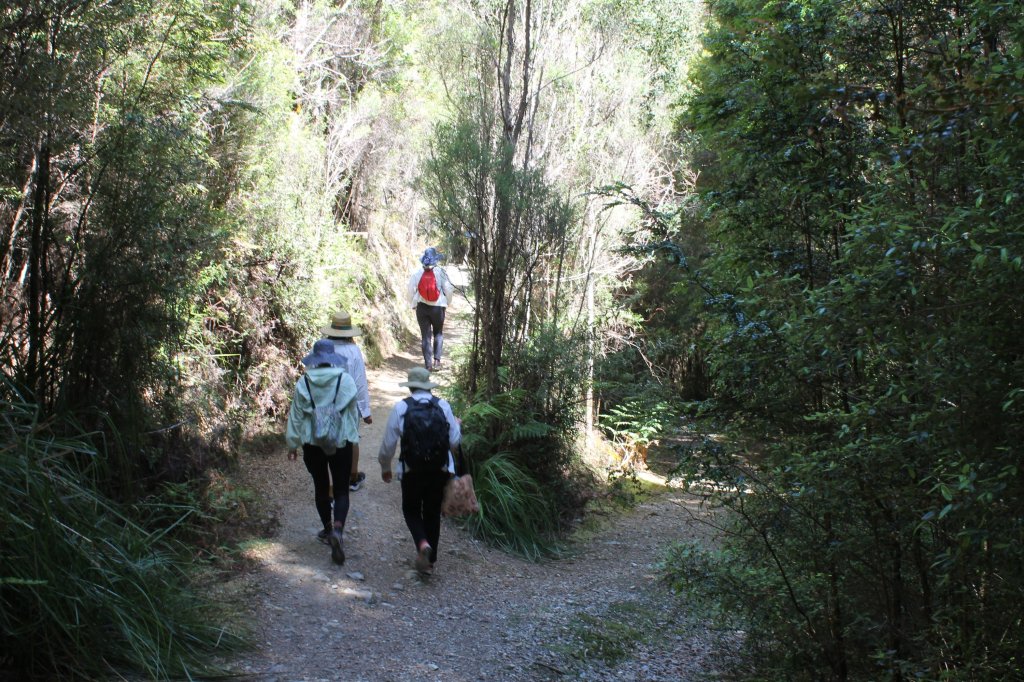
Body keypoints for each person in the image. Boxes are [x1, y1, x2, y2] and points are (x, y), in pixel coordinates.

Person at [378, 366, 462, 575]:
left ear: (411, 387)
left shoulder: (401, 408)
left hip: (411, 469)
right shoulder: (442, 405)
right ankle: (430, 563)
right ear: (428, 385)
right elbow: (454, 441)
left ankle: (422, 544)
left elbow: (388, 444)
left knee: (411, 510)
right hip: (439, 469)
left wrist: (385, 467)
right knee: (432, 512)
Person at [286, 339, 360, 565]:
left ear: (315, 360)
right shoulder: (345, 380)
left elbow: (296, 416)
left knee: (320, 486)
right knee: (341, 489)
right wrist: (352, 437)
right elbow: (352, 414)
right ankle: (338, 529)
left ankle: (327, 529)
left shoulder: (304, 382)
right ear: (333, 358)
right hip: (341, 441)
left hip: (312, 442)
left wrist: (292, 443)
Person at [323, 310, 372, 492]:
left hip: (325, 401)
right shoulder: (353, 350)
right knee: (351, 438)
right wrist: (365, 410)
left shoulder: (321, 347)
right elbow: (359, 381)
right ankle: (352, 477)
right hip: (348, 402)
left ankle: (329, 483)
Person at [406, 247, 455, 371]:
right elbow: (448, 289)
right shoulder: (441, 272)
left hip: (422, 308)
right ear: (436, 259)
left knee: (425, 336)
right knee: (438, 333)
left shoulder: (417, 274)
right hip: (438, 308)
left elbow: (410, 291)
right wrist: (447, 302)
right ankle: (437, 362)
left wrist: (413, 303)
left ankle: (428, 365)